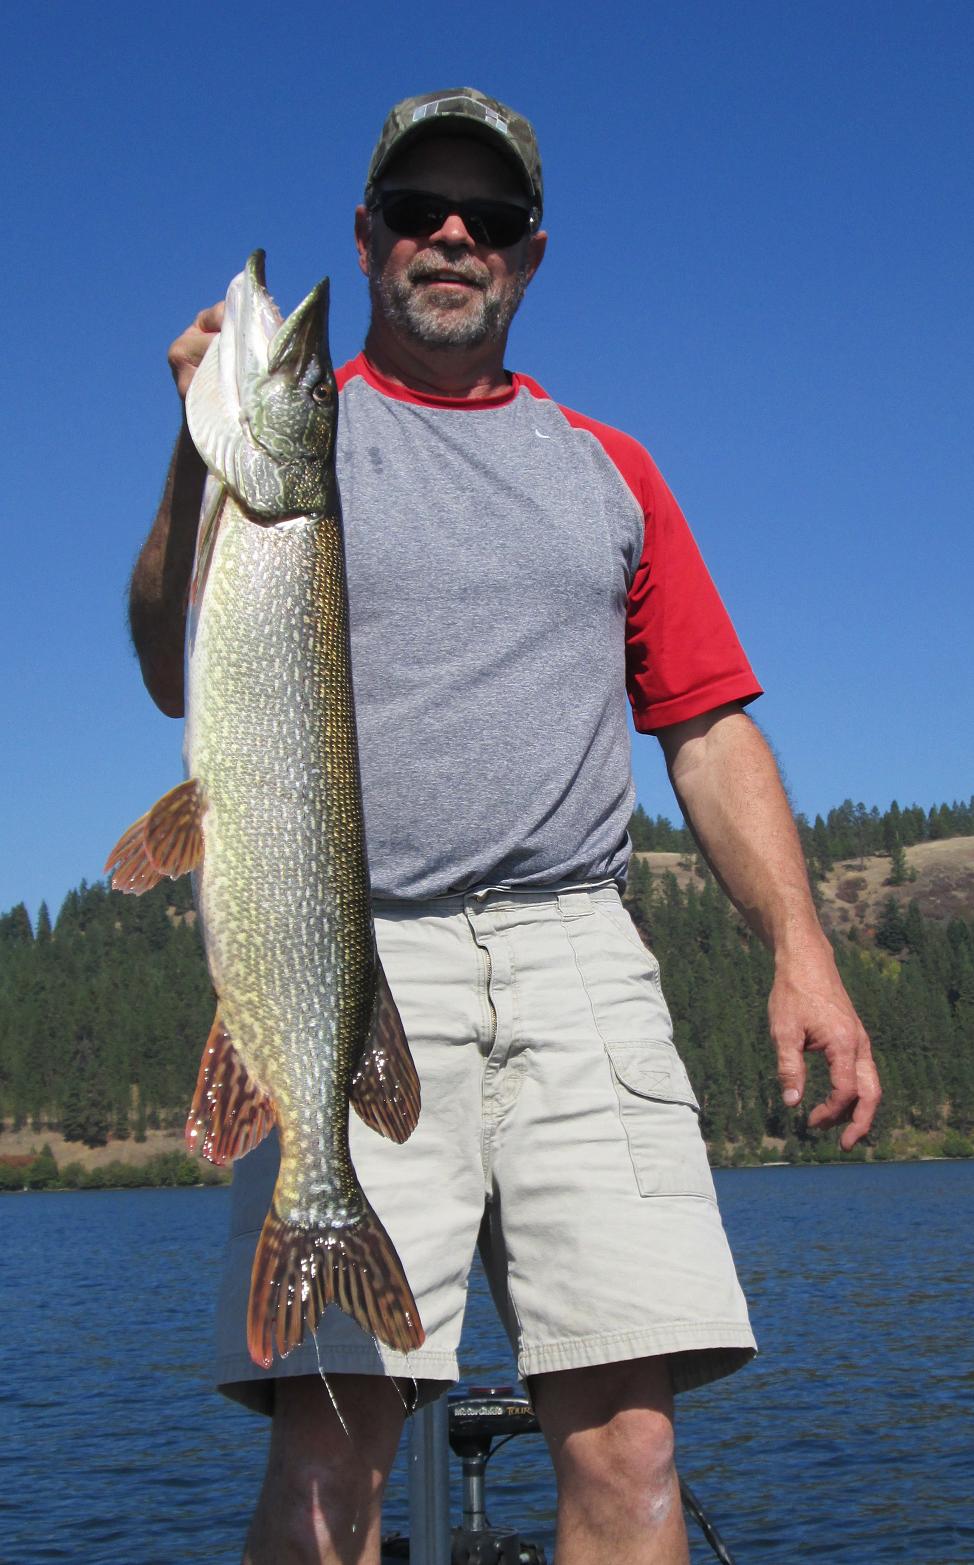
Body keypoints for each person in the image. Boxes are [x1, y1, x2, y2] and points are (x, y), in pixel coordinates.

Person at [130, 88, 880, 1565]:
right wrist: (192, 450)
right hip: (347, 954)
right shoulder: (290, 453)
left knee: (630, 1448)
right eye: (419, 209)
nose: (453, 233)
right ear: (371, 236)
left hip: (575, 958)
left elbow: (708, 727)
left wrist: (803, 950)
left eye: (490, 215)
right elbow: (171, 663)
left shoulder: (608, 468)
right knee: (328, 1455)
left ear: (531, 253)